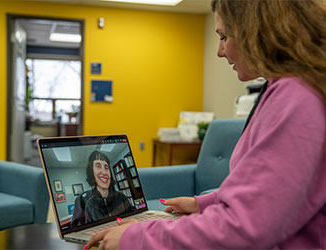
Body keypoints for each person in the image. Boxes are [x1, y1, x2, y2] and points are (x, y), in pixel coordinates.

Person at [85, 0, 326, 249]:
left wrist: (136, 237)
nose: (220, 51)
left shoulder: (296, 96)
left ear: (256, 31)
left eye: (224, 37)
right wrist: (205, 203)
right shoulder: (291, 89)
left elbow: (244, 226)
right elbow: (272, 194)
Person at [71, 150, 133, 226]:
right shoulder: (85, 202)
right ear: (92, 172)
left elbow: (132, 220)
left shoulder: (121, 198)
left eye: (106, 167)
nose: (104, 172)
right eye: (98, 166)